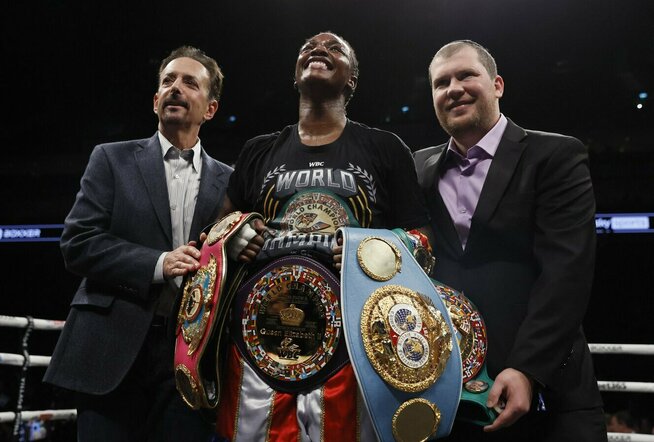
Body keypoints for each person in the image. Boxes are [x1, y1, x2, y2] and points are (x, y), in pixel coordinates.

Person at [210, 31, 432, 441]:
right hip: (261, 338)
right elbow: (213, 237)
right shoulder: (258, 150)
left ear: (351, 80)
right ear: (296, 75)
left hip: (354, 343)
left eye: (334, 48)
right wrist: (231, 238)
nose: (318, 50)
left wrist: (367, 250)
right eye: (308, 47)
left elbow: (423, 239)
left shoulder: (384, 148)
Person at [414, 40, 606, 441]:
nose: (453, 88)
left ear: (497, 85)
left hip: (548, 391)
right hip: (452, 397)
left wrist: (528, 368)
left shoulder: (555, 155)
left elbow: (566, 273)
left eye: (467, 75)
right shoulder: (418, 167)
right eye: (441, 82)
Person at [43, 45, 232, 441]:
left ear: (210, 109)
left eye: (189, 83)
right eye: (168, 81)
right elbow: (77, 242)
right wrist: (158, 263)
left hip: (190, 357)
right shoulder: (111, 159)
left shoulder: (230, 181)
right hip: (111, 349)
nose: (175, 88)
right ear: (155, 100)